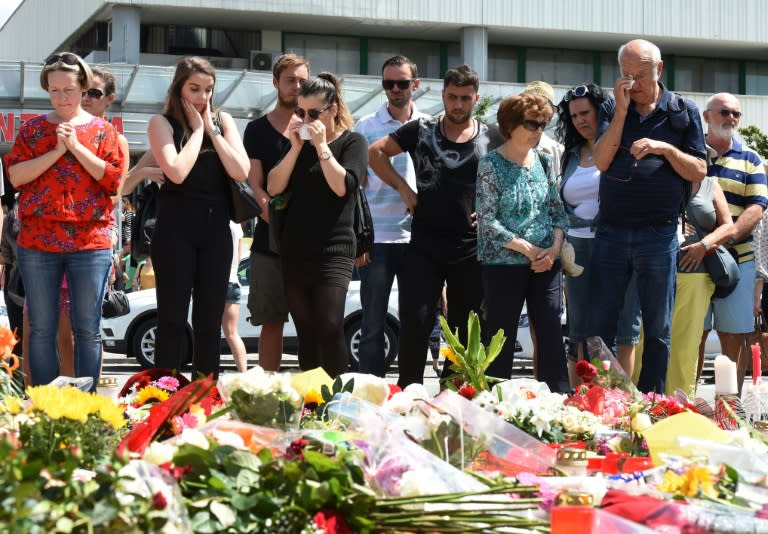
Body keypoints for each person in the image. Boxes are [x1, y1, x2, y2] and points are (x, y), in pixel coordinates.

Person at [368, 64, 504, 387]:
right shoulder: (421, 128)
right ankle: (409, 393)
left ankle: (454, 395)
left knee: (464, 328)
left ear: (476, 98)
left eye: (465, 98)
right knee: (415, 322)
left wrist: (490, 209)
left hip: (470, 248)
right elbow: (375, 153)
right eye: (452, 97)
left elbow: (513, 172)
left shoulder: (492, 136)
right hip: (424, 245)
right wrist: (403, 188)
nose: (458, 104)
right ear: (443, 95)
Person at [589, 39, 707, 393]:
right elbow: (601, 161)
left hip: (658, 234)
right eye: (625, 75)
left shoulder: (683, 111)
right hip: (611, 231)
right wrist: (622, 113)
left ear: (660, 69)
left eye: (640, 75)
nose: (633, 83)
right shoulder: (612, 108)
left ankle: (653, 400)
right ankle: (601, 400)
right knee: (600, 323)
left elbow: (699, 169)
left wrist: (664, 148)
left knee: (658, 327)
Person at [4, 52, 124, 390]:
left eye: (68, 90)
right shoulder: (33, 129)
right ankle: (43, 404)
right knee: (41, 327)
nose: (61, 97)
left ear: (83, 87)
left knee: (88, 328)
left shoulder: (103, 131)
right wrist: (56, 151)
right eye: (54, 91)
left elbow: (113, 180)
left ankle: (85, 407)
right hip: (38, 242)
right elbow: (16, 176)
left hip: (90, 242)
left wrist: (75, 147)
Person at [147, 56, 250, 378]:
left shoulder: (224, 120)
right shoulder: (161, 123)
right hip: (175, 229)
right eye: (195, 89)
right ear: (179, 87)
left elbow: (242, 170)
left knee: (209, 321)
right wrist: (194, 133)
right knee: (172, 318)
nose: (203, 97)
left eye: (208, 90)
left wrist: (212, 133)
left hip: (216, 229)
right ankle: (163, 396)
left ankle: (204, 395)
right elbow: (176, 172)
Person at [267, 72, 367, 378]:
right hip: (295, 248)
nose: (306, 118)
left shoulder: (353, 141)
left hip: (334, 248)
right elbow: (273, 187)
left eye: (314, 113)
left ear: (333, 109)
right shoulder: (296, 144)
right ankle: (311, 400)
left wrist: (323, 147)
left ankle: (337, 397)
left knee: (330, 324)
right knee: (306, 330)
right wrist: (296, 148)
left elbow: (342, 186)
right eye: (301, 112)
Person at [476, 93, 568, 390]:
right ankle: (494, 402)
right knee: (500, 336)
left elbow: (557, 210)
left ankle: (559, 401)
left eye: (543, 124)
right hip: (503, 264)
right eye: (532, 124)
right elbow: (487, 221)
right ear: (511, 124)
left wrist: (553, 250)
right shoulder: (490, 164)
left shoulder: (543, 160)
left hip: (546, 263)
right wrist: (529, 250)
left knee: (552, 333)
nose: (539, 130)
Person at [555, 83, 641, 387]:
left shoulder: (620, 144)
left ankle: (620, 405)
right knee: (579, 328)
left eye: (585, 112)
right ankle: (579, 404)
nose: (579, 120)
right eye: (574, 115)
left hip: (617, 243)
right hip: (576, 249)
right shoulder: (570, 155)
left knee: (624, 327)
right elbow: (561, 202)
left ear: (599, 110)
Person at [354, 55, 430, 377]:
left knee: (419, 320)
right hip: (378, 239)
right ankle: (373, 394)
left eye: (401, 82)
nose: (394, 89)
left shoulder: (429, 125)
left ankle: (410, 390)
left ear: (416, 84)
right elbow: (355, 188)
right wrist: (359, 240)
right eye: (388, 83)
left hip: (419, 239)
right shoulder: (366, 127)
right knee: (372, 323)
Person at [243, 53, 309, 372]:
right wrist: (276, 218)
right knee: (271, 324)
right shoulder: (256, 130)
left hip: (313, 246)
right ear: (275, 83)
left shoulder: (319, 128)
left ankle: (315, 398)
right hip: (268, 243)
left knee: (314, 326)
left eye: (302, 80)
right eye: (290, 80)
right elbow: (254, 184)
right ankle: (267, 394)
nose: (297, 86)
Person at [699, 93, 767, 394]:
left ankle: (729, 409)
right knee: (693, 336)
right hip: (693, 262)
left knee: (733, 335)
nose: (731, 119)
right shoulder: (690, 154)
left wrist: (723, 239)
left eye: (736, 114)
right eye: (725, 112)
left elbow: (757, 207)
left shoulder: (752, 159)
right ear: (706, 116)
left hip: (739, 261)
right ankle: (686, 404)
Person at [665, 175, 734, 397]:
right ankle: (646, 404)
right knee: (646, 341)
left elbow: (728, 227)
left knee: (686, 347)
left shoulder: (710, 183)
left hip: (697, 275)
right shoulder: (660, 175)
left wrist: (704, 245)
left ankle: (679, 405)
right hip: (656, 271)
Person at [522, 81, 564, 177]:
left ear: (549, 118)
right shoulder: (506, 146)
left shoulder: (558, 152)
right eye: (531, 108)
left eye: (542, 110)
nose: (535, 114)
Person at [223, 220, 247, 372]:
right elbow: (238, 258)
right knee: (232, 333)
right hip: (233, 281)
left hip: (215, 280)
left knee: (207, 331)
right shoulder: (237, 226)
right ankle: (244, 373)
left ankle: (204, 378)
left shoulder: (218, 220)